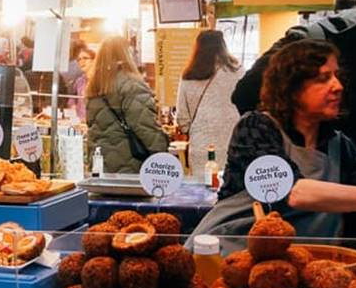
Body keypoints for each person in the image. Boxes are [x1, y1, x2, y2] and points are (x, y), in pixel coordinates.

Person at [189, 39, 356, 247]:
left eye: (336, 76)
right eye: (322, 78)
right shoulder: (257, 128)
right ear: (290, 88)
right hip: (224, 258)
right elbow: (292, 192)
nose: (337, 86)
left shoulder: (340, 145)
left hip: (297, 270)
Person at [230, 0, 356, 183]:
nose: (337, 86)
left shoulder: (305, 38)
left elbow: (244, 92)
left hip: (310, 158)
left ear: (336, 8)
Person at [85, 36, 168, 174]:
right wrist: (163, 153)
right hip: (129, 163)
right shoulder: (131, 83)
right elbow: (145, 127)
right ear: (126, 54)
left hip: (99, 163)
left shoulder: (93, 86)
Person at [175, 30, 243, 178]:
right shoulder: (238, 72)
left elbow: (182, 118)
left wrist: (190, 129)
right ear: (223, 46)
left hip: (201, 144)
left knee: (202, 192)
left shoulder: (188, 76)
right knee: (228, 190)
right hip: (233, 144)